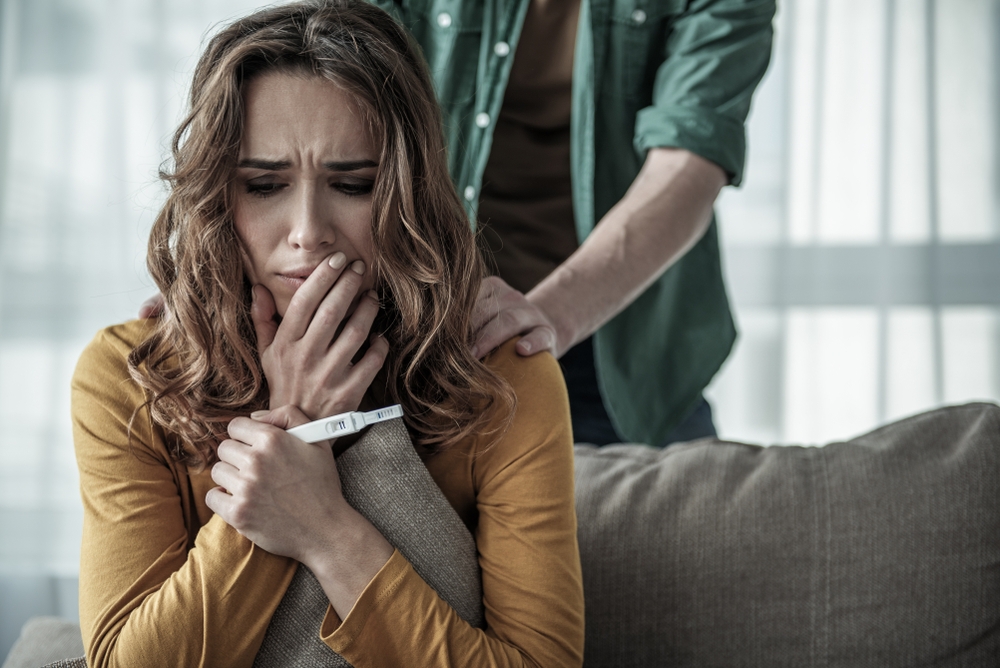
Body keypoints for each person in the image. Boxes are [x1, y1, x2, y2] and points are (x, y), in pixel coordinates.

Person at [72, 2, 584, 666]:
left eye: (353, 183)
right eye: (264, 185)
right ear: (214, 197)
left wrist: (328, 532)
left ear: (408, 193)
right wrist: (293, 429)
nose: (308, 231)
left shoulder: (501, 372)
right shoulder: (126, 374)